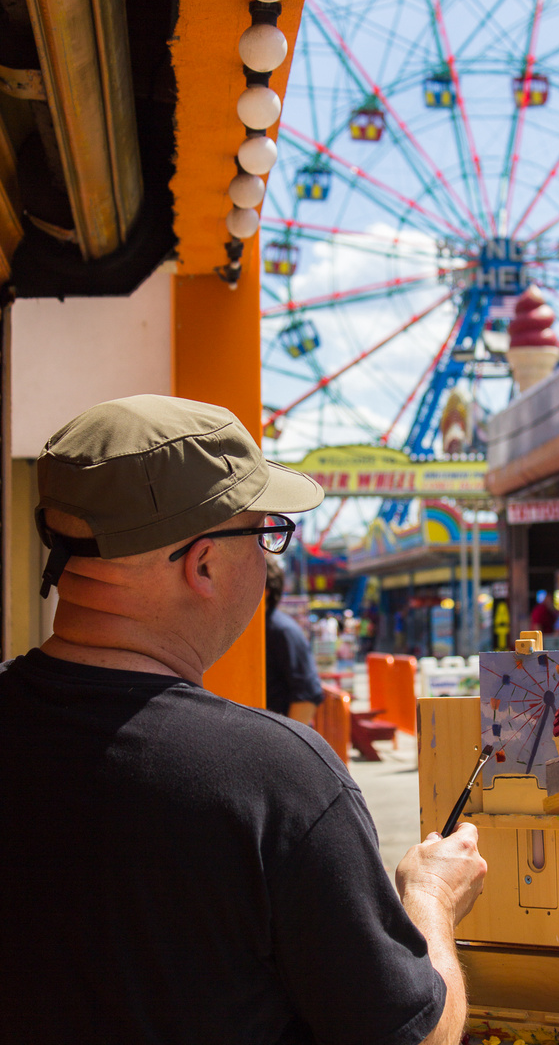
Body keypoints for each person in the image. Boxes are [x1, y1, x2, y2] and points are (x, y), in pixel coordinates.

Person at [0, 394, 486, 1045]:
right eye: (266, 535)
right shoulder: (276, 781)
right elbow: (421, 1034)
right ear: (204, 563)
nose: (268, 561)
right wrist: (431, 897)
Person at [265, 556, 324, 724]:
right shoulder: (254, 629)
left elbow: (307, 694)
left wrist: (286, 745)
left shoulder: (282, 631)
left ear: (266, 590)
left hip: (276, 739)